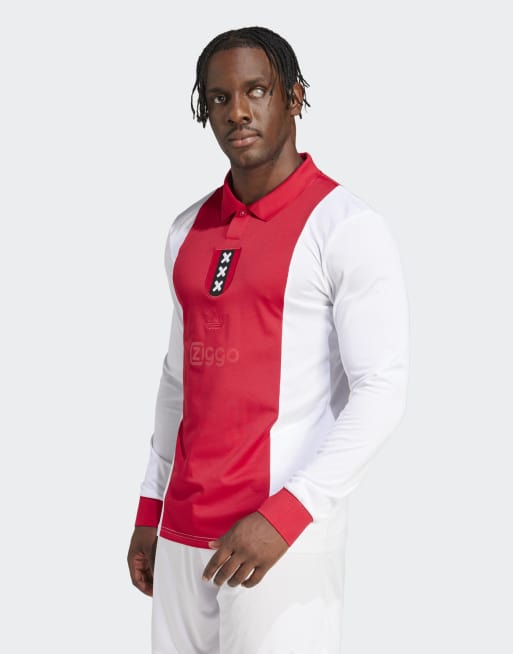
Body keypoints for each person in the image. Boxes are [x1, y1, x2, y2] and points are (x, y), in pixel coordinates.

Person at [127, 25, 410, 654]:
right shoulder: (186, 230)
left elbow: (381, 389)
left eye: (256, 90)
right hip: (180, 535)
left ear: (294, 97)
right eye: (220, 98)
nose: (238, 111)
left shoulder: (346, 227)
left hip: (279, 542)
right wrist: (151, 509)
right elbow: (178, 381)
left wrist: (287, 514)